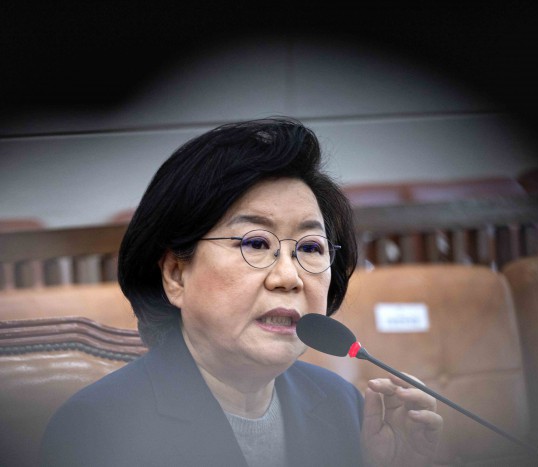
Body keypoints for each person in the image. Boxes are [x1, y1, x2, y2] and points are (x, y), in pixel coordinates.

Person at [40, 117, 443, 466]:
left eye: (310, 248)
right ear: (176, 275)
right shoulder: (98, 428)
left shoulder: (342, 406)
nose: (289, 277)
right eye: (256, 243)